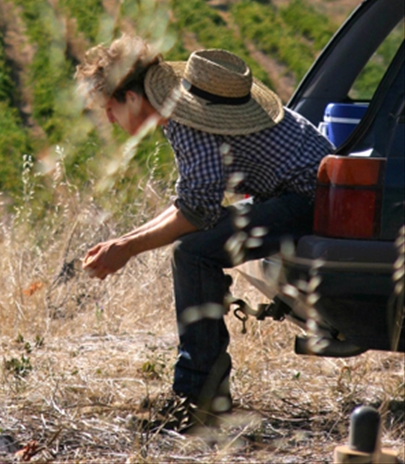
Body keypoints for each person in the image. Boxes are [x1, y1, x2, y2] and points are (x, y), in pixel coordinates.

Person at [76, 34, 332, 430]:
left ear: (130, 97)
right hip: (307, 192)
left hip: (311, 199)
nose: (109, 120)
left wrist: (126, 248)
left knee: (194, 252)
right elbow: (192, 205)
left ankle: (200, 399)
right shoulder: (179, 111)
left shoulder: (185, 119)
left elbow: (197, 211)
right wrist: (122, 244)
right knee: (191, 247)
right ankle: (201, 393)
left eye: (109, 109)